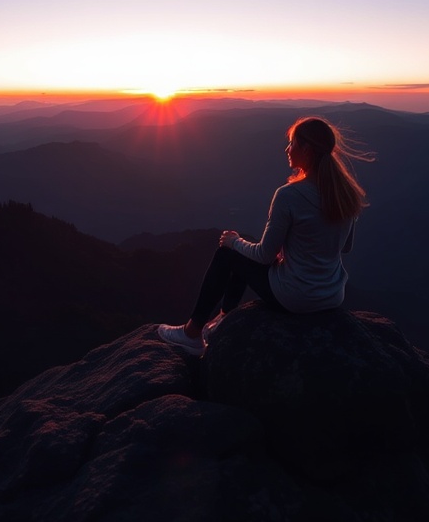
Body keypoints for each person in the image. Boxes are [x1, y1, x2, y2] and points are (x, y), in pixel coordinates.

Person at [158, 116, 370, 355]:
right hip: (331, 295)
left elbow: (264, 256)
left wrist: (233, 241)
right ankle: (224, 320)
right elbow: (345, 246)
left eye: (292, 143)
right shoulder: (346, 193)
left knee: (229, 253)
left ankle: (192, 333)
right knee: (240, 254)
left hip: (296, 296)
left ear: (307, 150)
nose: (287, 149)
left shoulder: (289, 195)